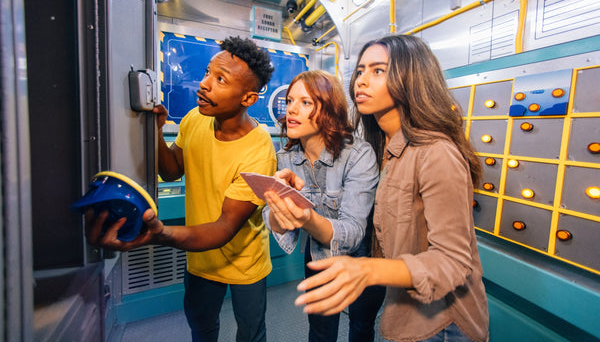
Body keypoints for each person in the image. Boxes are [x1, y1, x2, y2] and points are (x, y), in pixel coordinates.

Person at [294, 35, 489, 342]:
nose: (361, 81)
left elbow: (453, 263)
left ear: (411, 78)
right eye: (359, 71)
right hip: (404, 312)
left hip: (443, 324)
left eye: (378, 71)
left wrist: (367, 271)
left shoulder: (435, 152)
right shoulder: (379, 148)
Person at [85, 36, 276, 342]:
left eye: (221, 79)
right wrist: (157, 132)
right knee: (201, 327)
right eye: (207, 73)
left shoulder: (259, 150)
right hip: (199, 257)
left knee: (251, 334)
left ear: (248, 98)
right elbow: (172, 170)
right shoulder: (195, 119)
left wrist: (163, 235)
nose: (204, 84)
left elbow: (226, 226)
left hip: (245, 262)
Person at [262, 70, 385, 342]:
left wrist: (305, 217)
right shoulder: (286, 158)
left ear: (330, 110)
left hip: (365, 257)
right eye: (290, 100)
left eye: (306, 103)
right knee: (319, 332)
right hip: (319, 254)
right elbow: (275, 221)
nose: (292, 110)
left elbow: (353, 233)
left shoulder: (358, 155)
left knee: (361, 328)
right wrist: (278, 208)